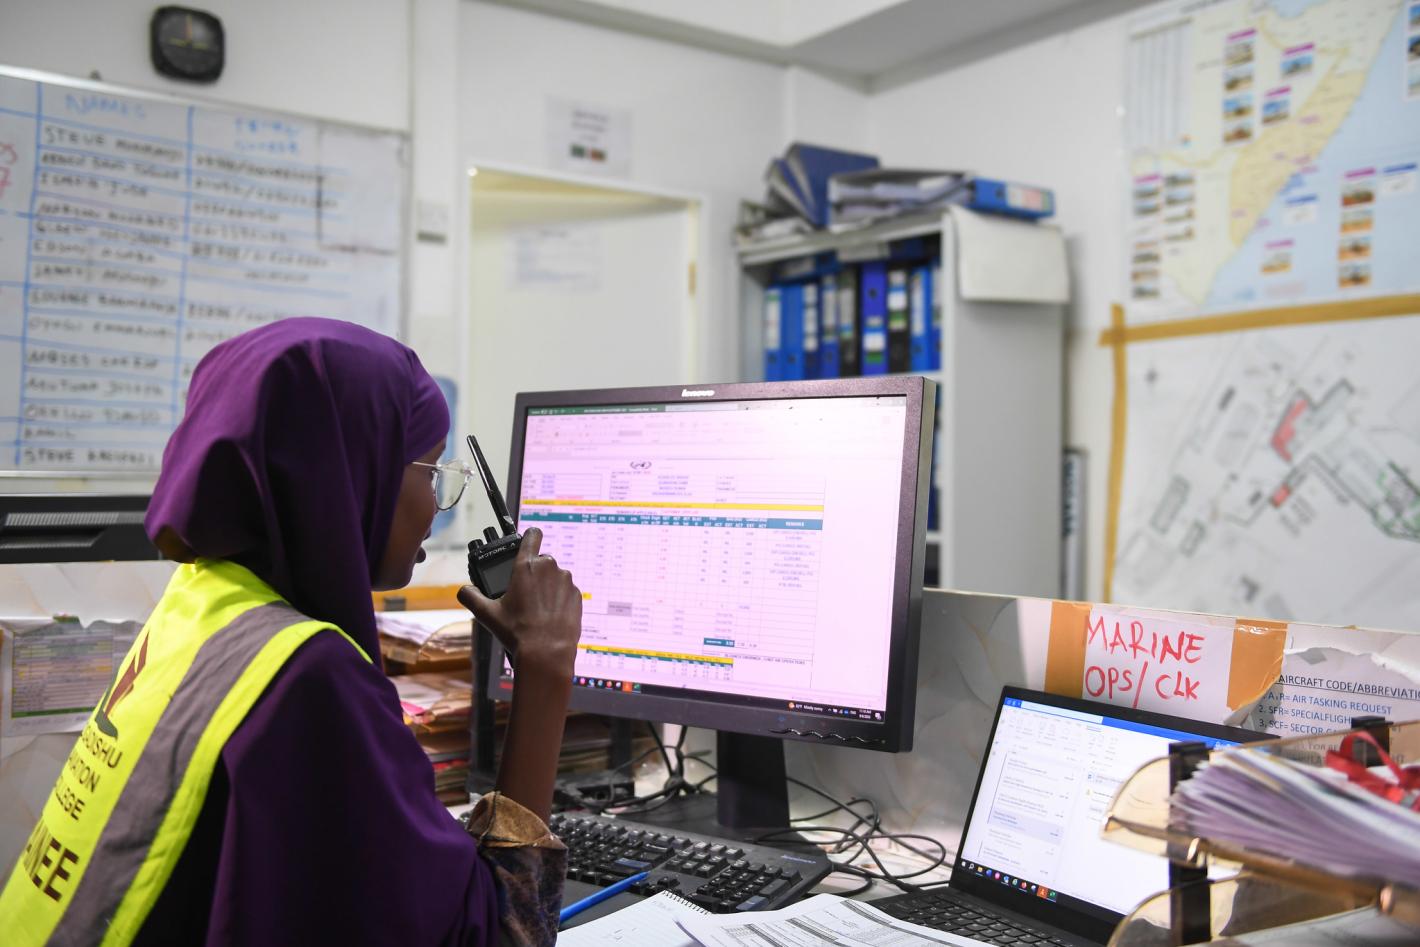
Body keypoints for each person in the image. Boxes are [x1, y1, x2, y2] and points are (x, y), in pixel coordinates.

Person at [0, 319, 583, 946]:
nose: (437, 505)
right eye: (429, 471)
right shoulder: (308, 679)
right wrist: (545, 668)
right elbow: (492, 936)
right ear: (349, 473)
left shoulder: (203, 608)